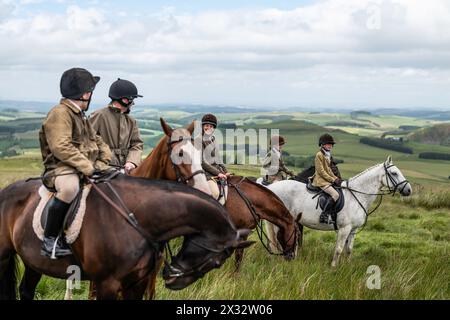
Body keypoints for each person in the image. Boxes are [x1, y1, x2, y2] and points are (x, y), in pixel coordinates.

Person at [39, 67, 112, 259]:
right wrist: (88, 167)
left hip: (84, 165)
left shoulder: (80, 114)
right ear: (86, 94)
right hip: (61, 168)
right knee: (70, 188)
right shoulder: (60, 113)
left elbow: (96, 139)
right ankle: (51, 240)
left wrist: (105, 159)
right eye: (91, 92)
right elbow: (61, 147)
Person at [89, 79, 144, 174]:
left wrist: (132, 161)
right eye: (132, 100)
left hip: (126, 170)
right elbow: (87, 141)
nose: (133, 104)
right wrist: (102, 163)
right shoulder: (99, 116)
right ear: (125, 100)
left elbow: (137, 144)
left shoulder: (131, 121)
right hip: (102, 169)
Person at [312, 133, 342, 224]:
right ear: (322, 145)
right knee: (335, 195)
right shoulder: (319, 155)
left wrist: (336, 178)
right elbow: (321, 171)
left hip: (327, 180)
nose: (330, 146)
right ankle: (323, 215)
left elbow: (329, 170)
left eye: (331, 144)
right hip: (321, 181)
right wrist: (333, 180)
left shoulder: (327, 155)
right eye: (328, 144)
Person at [201, 113, 230, 200]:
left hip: (217, 171)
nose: (209, 128)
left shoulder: (213, 139)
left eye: (211, 126)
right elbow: (202, 163)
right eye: (206, 125)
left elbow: (218, 159)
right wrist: (218, 173)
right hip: (205, 173)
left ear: (214, 128)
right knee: (215, 193)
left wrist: (225, 171)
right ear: (202, 126)